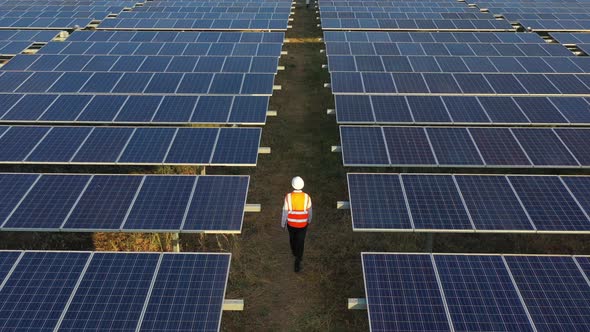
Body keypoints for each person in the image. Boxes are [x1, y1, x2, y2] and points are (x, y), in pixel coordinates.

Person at [281, 176, 312, 272]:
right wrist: (309, 220)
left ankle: (294, 251)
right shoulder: (307, 197)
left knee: (292, 238)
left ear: (292, 185)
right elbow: (310, 211)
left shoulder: (288, 196)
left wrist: (283, 223)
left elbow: (285, 211)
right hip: (303, 225)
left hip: (291, 224)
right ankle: (298, 259)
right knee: (301, 241)